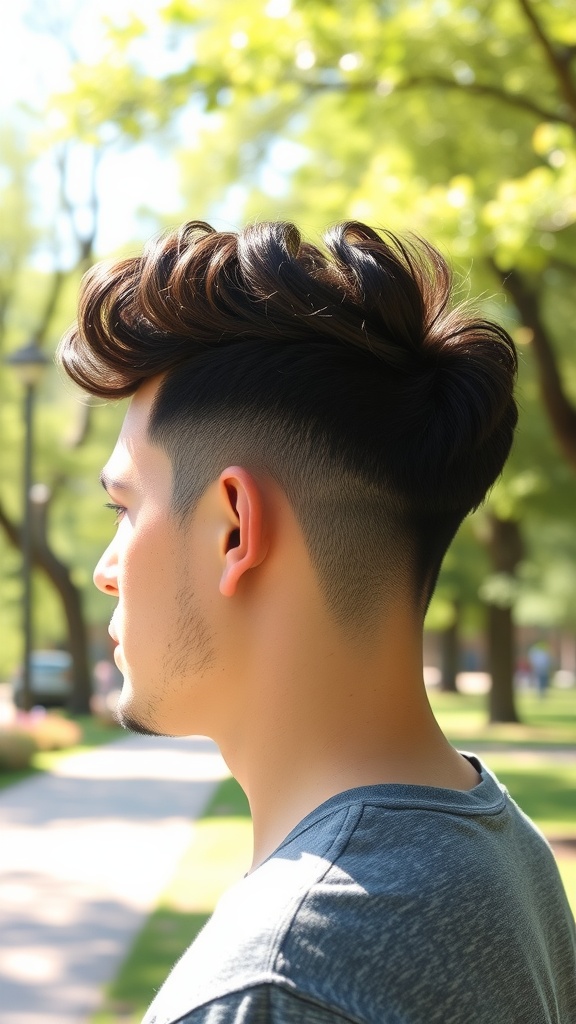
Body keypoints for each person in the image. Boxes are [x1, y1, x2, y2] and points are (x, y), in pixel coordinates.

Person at [59, 220, 576, 1024]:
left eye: (124, 509)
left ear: (235, 528)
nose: (105, 566)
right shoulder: (501, 846)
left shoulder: (273, 986)